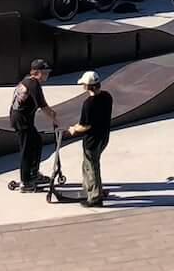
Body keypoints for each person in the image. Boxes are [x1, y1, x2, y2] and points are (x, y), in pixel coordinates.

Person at [64, 71, 112, 207]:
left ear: (87, 86)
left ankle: (95, 197)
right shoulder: (107, 97)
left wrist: (73, 129)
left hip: (92, 140)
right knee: (89, 165)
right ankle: (90, 189)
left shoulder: (88, 104)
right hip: (104, 137)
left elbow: (85, 126)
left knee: (91, 167)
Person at [7, 60, 53, 192]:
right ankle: (25, 181)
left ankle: (34, 173)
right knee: (27, 149)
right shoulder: (33, 84)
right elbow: (43, 106)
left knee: (36, 142)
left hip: (20, 118)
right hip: (22, 120)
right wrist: (54, 118)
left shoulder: (26, 80)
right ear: (37, 73)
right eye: (45, 73)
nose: (47, 75)